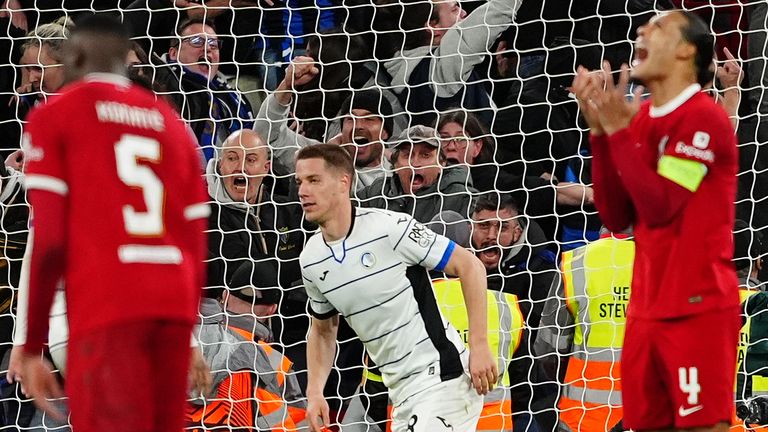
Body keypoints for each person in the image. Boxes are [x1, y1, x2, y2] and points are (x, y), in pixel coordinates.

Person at [17, 15, 210, 432]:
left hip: (109, 305)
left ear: (76, 56)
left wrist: (31, 345)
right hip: (173, 308)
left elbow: (48, 241)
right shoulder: (171, 123)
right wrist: (190, 331)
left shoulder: (56, 116)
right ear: (126, 61)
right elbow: (195, 239)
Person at [572, 10, 740, 432]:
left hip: (697, 307)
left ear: (687, 50)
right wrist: (599, 134)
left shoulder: (705, 117)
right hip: (646, 310)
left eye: (658, 27)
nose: (642, 31)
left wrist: (617, 130)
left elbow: (662, 205)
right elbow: (615, 214)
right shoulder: (644, 120)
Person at [294, 144, 497, 432]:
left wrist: (479, 346)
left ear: (343, 183)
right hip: (401, 395)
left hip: (444, 378)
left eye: (314, 180)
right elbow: (323, 329)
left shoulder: (391, 228)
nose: (303, 191)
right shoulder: (311, 259)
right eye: (299, 182)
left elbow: (470, 266)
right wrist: (315, 392)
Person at [535, 230, 635, 432]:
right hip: (650, 414)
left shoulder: (575, 264)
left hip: (584, 416)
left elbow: (548, 349)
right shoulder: (669, 263)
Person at [188, 261, 307, 430]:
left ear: (225, 296)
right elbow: (295, 423)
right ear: (272, 309)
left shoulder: (166, 345)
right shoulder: (273, 362)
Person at [160, 18, 255, 162]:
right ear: (173, 53)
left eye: (214, 44)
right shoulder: (162, 89)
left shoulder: (232, 96)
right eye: (197, 41)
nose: (207, 48)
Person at [470, 193, 557, 335]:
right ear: (471, 229)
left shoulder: (540, 266)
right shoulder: (454, 262)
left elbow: (539, 319)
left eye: (502, 228)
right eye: (484, 226)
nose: (492, 235)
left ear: (517, 233)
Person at [356, 125, 475, 222]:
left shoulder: (462, 198)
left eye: (425, 155)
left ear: (441, 163)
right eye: (407, 155)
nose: (415, 163)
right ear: (395, 165)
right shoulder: (375, 193)